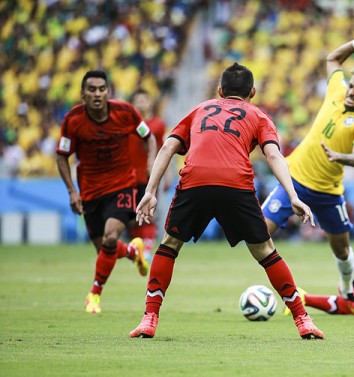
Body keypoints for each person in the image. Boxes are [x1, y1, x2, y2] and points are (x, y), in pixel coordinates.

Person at [129, 62, 324, 340]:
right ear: (252, 92)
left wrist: (150, 190)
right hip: (236, 183)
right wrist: (293, 195)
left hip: (195, 180)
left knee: (169, 245)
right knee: (266, 251)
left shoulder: (199, 109)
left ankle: (149, 318)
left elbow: (168, 147)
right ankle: (302, 320)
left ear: (220, 91)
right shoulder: (259, 116)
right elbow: (273, 156)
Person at [261, 27, 354, 317]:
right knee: (258, 233)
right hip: (293, 180)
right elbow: (333, 59)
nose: (351, 91)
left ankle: (347, 293)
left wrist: (339, 156)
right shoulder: (336, 91)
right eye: (351, 85)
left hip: (328, 192)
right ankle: (290, 293)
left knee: (342, 251)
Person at [56, 70, 158, 314]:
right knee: (105, 249)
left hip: (122, 185)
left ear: (108, 92)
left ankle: (94, 294)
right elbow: (62, 156)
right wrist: (72, 191)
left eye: (102, 89)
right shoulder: (73, 121)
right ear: (83, 95)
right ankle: (133, 251)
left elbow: (149, 138)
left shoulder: (125, 112)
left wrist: (151, 163)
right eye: (92, 90)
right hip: (90, 191)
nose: (97, 94)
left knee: (111, 237)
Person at [129, 88, 169, 262]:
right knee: (130, 215)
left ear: (150, 103)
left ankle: (147, 247)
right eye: (138, 100)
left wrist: (167, 175)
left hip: (149, 176)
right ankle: (137, 247)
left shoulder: (158, 125)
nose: (141, 103)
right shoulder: (127, 124)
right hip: (127, 177)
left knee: (148, 212)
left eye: (144, 100)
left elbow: (164, 150)